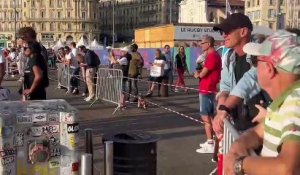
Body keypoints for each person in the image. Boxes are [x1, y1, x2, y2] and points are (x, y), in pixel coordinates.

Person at [224, 30, 300, 175]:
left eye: (255, 61)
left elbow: (288, 168)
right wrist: (239, 145)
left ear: (269, 68)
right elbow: (259, 133)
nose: (253, 68)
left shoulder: (295, 102)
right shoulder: (285, 101)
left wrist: (239, 164)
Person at [212, 13, 265, 133]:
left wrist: (225, 108)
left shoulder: (259, 53)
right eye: (222, 32)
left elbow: (249, 81)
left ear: (243, 32)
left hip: (261, 128)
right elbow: (225, 87)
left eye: (228, 31)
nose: (224, 35)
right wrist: (221, 111)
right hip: (239, 124)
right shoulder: (229, 57)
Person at [194, 36, 222, 153]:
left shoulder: (212, 56)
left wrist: (198, 74)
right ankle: (210, 141)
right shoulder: (211, 56)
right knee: (209, 115)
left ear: (209, 44)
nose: (201, 45)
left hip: (207, 88)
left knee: (205, 116)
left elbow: (203, 73)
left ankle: (210, 142)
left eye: (202, 43)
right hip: (207, 88)